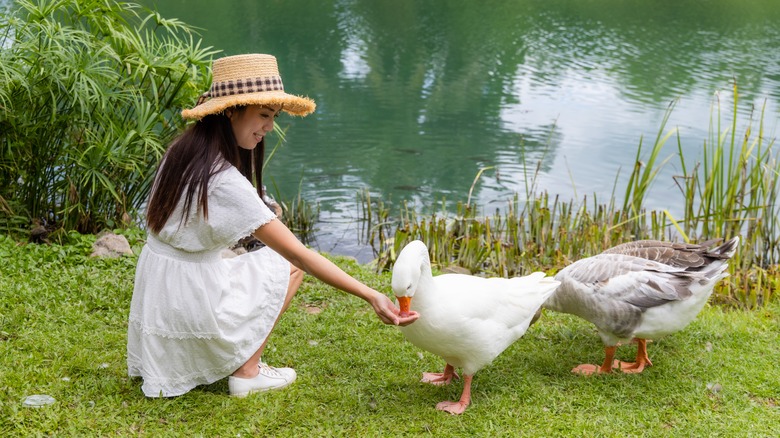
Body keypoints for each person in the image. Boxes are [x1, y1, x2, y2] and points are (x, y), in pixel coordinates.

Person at [127, 54, 419, 398]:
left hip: (160, 288)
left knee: (253, 258)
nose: (269, 127)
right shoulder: (223, 180)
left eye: (274, 117)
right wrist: (370, 295)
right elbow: (301, 254)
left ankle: (210, 361)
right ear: (231, 110)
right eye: (264, 115)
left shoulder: (184, 150)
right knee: (290, 264)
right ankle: (248, 372)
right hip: (190, 299)